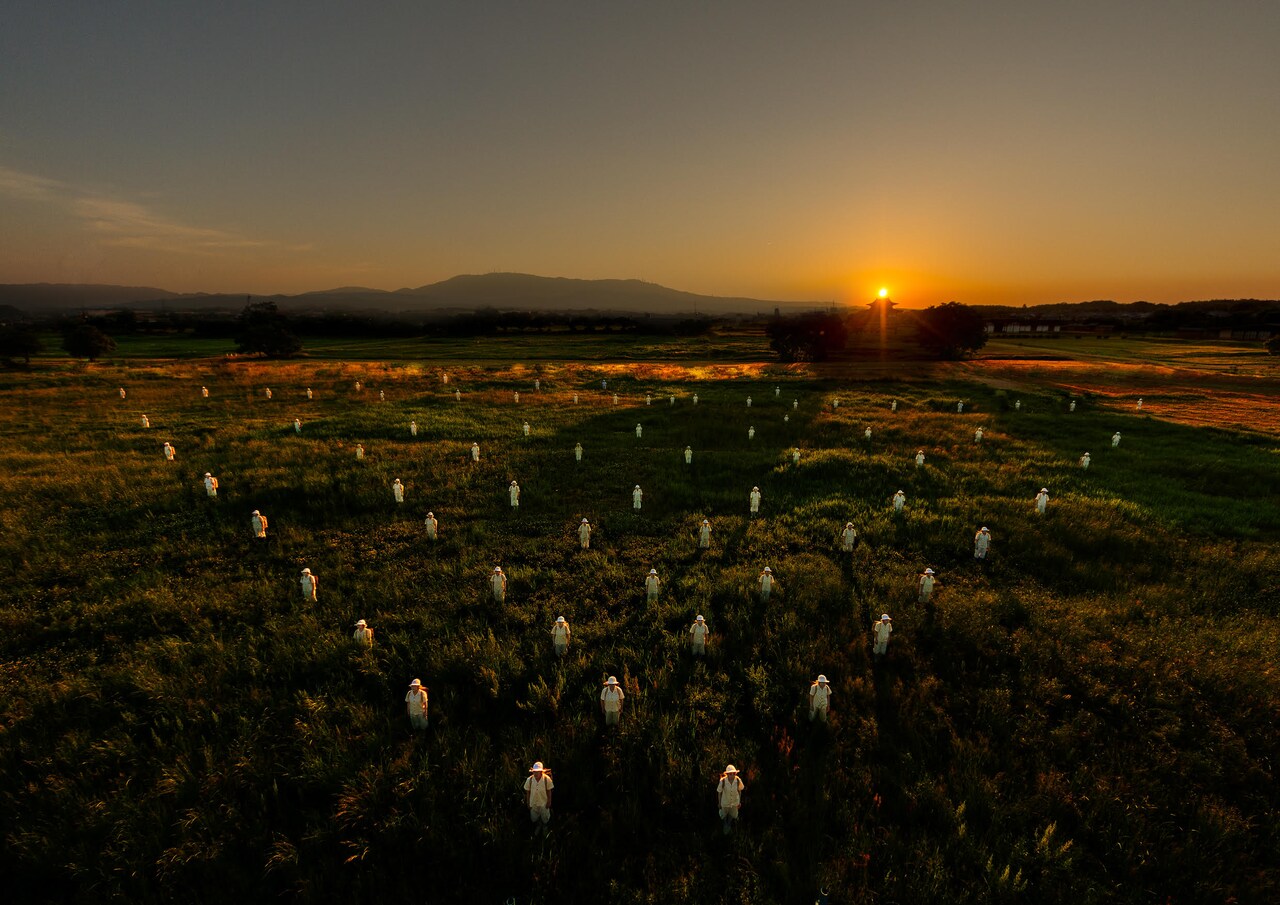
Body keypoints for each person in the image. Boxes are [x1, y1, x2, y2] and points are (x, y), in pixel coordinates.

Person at [524, 762, 554, 829]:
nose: (535, 773)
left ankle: (545, 828)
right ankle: (538, 826)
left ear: (541, 772)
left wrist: (549, 801)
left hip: (543, 803)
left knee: (545, 817)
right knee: (534, 817)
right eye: (534, 772)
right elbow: (527, 792)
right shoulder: (530, 780)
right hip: (533, 803)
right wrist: (528, 802)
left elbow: (549, 791)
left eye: (537, 772)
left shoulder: (547, 779)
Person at [716, 765, 744, 834]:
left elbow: (740, 791)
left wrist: (739, 801)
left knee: (732, 814)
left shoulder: (737, 780)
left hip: (734, 802)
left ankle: (729, 823)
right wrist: (719, 803)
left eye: (734, 773)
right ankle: (725, 823)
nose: (732, 775)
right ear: (727, 774)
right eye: (730, 774)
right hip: (725, 802)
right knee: (724, 814)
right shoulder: (723, 781)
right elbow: (719, 792)